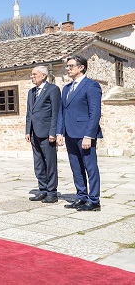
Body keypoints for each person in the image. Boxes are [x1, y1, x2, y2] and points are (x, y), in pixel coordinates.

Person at [57, 55, 103, 211]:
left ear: (81, 67)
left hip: (85, 135)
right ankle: (81, 196)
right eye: (67, 66)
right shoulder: (66, 88)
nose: (67, 69)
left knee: (90, 167)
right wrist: (59, 133)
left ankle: (94, 200)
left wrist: (89, 135)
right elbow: (62, 112)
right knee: (76, 167)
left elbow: (95, 113)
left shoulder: (92, 86)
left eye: (71, 66)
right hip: (70, 134)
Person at [25, 66, 61, 203]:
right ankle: (43, 189)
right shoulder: (31, 92)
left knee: (50, 163)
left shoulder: (53, 90)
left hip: (47, 133)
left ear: (44, 76)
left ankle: (52, 193)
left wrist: (53, 132)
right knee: (38, 163)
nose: (32, 77)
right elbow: (29, 112)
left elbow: (55, 113)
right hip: (34, 133)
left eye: (34, 74)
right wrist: (27, 130)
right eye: (31, 75)